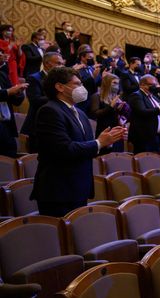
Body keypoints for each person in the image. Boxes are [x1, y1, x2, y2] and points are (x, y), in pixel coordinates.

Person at [31, 67, 125, 216]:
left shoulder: (80, 113)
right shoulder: (49, 110)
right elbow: (63, 150)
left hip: (79, 187)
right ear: (60, 87)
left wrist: (108, 141)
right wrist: (98, 142)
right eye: (76, 84)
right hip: (58, 191)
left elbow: (87, 148)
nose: (82, 88)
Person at [21, 51, 64, 153]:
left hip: (55, 124)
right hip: (38, 125)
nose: (61, 66)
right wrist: (57, 95)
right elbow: (35, 100)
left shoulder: (62, 80)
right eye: (58, 63)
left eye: (62, 64)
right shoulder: (34, 78)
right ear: (47, 63)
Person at [127, 74, 160, 153]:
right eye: (151, 85)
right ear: (142, 85)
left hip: (155, 136)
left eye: (155, 85)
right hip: (143, 137)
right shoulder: (136, 96)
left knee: (155, 162)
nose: (154, 87)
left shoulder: (153, 97)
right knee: (144, 163)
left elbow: (159, 111)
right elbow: (142, 112)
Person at [89, 73, 129, 153]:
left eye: (118, 83)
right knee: (104, 157)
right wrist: (110, 106)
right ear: (107, 83)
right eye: (114, 83)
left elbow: (123, 115)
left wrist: (122, 108)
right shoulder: (97, 96)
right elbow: (95, 114)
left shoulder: (117, 97)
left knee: (118, 156)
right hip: (104, 130)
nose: (116, 86)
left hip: (117, 130)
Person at [0, 50, 27, 157]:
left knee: (10, 155)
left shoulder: (2, 74)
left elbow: (16, 101)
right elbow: (7, 92)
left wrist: (18, 92)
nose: (2, 56)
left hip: (5, 124)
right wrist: (9, 92)